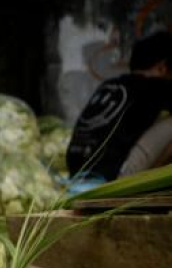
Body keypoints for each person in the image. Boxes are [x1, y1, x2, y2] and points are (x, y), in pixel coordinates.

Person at [67, 31, 172, 181]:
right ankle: (145, 184)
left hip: (76, 175)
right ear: (162, 67)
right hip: (112, 179)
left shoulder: (110, 85)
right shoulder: (156, 86)